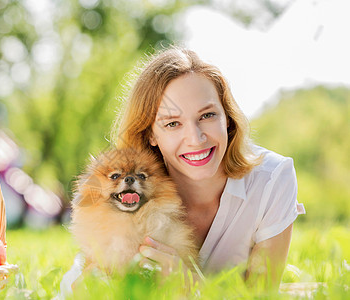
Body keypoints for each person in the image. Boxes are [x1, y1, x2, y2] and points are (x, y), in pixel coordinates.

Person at [60, 47, 305, 295]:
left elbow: (262, 294)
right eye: (173, 123)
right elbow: (90, 274)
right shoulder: (129, 186)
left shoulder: (272, 179)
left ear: (227, 118)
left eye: (207, 115)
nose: (195, 138)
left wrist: (192, 289)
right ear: (151, 134)